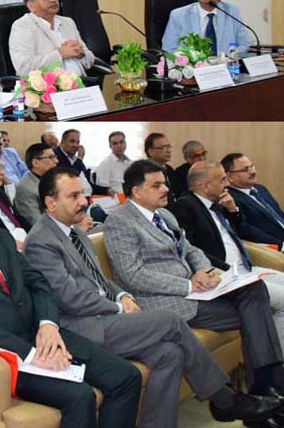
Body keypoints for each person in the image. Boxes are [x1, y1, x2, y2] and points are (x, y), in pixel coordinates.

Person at [24, 167, 276, 427]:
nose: (83, 202)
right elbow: (69, 298)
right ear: (51, 203)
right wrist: (117, 306)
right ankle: (225, 399)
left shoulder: (74, 232)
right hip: (82, 326)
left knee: (170, 354)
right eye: (73, 196)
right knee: (171, 321)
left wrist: (122, 295)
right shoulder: (42, 241)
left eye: (82, 194)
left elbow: (100, 280)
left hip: (106, 316)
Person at [0, 171, 142, 428]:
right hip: (6, 354)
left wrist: (48, 324)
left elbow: (39, 282)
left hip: (44, 335)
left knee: (126, 376)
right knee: (80, 396)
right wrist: (34, 355)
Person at [104, 160, 284, 402]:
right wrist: (189, 285)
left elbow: (190, 249)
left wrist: (205, 271)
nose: (165, 189)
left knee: (254, 290)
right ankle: (267, 385)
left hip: (196, 291)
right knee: (256, 311)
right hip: (163, 301)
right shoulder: (120, 222)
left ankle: (266, 387)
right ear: (136, 191)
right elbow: (133, 274)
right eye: (156, 185)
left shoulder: (164, 214)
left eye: (164, 183)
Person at [171, 161, 284, 349]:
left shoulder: (218, 202)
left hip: (246, 268)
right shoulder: (186, 206)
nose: (227, 184)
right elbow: (189, 249)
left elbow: (238, 233)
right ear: (205, 186)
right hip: (225, 275)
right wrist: (223, 270)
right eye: (222, 180)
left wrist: (233, 210)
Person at [9, 0, 95, 77]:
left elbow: (90, 60)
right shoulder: (23, 26)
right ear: (31, 5)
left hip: (82, 82)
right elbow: (24, 68)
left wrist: (81, 54)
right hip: (50, 85)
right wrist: (60, 54)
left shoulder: (68, 22)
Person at [162, 0, 251, 54]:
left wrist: (230, 56)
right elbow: (169, 48)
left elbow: (245, 44)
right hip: (193, 65)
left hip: (226, 63)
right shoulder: (178, 15)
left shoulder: (231, 11)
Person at [224, 153, 284, 248]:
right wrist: (281, 245)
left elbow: (278, 215)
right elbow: (246, 230)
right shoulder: (231, 198)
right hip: (276, 245)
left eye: (252, 166)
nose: (253, 172)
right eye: (245, 169)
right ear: (230, 176)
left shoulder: (260, 189)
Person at [15, 142, 60, 228]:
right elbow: (38, 223)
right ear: (36, 163)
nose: (56, 161)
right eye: (51, 157)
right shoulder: (26, 189)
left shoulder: (53, 179)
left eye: (55, 157)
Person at [55, 129, 110, 197]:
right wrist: (80, 158)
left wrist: (107, 190)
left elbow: (88, 184)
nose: (75, 145)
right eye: (72, 141)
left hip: (88, 197)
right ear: (62, 142)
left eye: (78, 142)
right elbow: (70, 178)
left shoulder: (76, 159)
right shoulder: (55, 156)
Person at [144, 132, 184, 202]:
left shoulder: (169, 169)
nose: (168, 151)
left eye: (169, 147)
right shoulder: (144, 171)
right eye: (163, 147)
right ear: (150, 151)